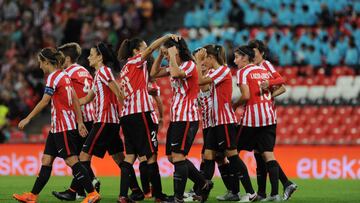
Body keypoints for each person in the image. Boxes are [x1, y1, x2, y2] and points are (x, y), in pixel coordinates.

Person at [13, 48, 100, 203]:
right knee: (46, 160)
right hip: (56, 128)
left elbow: (45, 101)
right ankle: (32, 196)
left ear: (47, 62)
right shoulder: (65, 75)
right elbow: (74, 100)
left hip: (63, 127)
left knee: (71, 160)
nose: (40, 66)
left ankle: (92, 193)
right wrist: (79, 122)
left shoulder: (53, 77)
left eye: (41, 63)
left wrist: (28, 118)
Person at [151, 38, 212, 203]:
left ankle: (178, 197)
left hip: (187, 117)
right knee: (172, 157)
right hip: (176, 118)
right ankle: (203, 183)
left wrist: (170, 54)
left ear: (176, 51)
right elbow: (154, 73)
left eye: (166, 53)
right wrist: (159, 55)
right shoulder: (173, 66)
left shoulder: (190, 65)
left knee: (178, 156)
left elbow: (177, 74)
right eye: (163, 54)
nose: (165, 56)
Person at [195, 45, 257, 202]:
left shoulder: (223, 70)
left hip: (225, 120)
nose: (204, 63)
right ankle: (202, 194)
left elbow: (201, 81)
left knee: (232, 156)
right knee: (209, 156)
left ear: (211, 57)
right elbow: (203, 85)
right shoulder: (215, 72)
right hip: (215, 122)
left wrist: (197, 61)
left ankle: (250, 192)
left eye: (205, 59)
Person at [116, 35, 174, 203]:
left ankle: (123, 195)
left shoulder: (125, 68)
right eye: (144, 46)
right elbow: (150, 50)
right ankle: (159, 196)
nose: (147, 48)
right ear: (136, 51)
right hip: (141, 113)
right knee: (151, 157)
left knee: (130, 156)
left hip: (127, 115)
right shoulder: (135, 61)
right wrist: (166, 37)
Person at [234, 45, 289, 201]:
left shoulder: (243, 72)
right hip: (269, 117)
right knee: (266, 155)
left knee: (231, 152)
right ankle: (274, 194)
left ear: (245, 57)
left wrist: (233, 106)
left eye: (237, 57)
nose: (234, 60)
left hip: (252, 120)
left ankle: (241, 191)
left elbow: (245, 96)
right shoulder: (264, 71)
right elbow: (281, 83)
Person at [248, 40, 297, 201]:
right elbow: (282, 88)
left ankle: (278, 189)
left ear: (261, 53)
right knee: (259, 154)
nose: (252, 55)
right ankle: (263, 192)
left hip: (265, 117)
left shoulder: (265, 65)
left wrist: (268, 89)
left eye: (254, 52)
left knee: (265, 153)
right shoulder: (253, 68)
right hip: (257, 117)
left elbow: (281, 82)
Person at [78, 42, 125, 200]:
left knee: (83, 157)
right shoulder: (99, 74)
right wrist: (69, 102)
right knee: (120, 158)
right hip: (109, 122)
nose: (89, 57)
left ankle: (91, 193)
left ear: (100, 57)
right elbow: (87, 98)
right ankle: (136, 189)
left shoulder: (104, 72)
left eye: (91, 54)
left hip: (104, 121)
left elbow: (119, 93)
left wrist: (126, 113)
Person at [51, 43, 97, 201]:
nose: (59, 61)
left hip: (80, 119)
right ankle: (87, 186)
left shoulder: (66, 74)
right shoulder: (85, 71)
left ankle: (81, 188)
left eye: (61, 58)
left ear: (68, 59)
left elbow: (72, 98)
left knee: (75, 158)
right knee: (80, 157)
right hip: (90, 116)